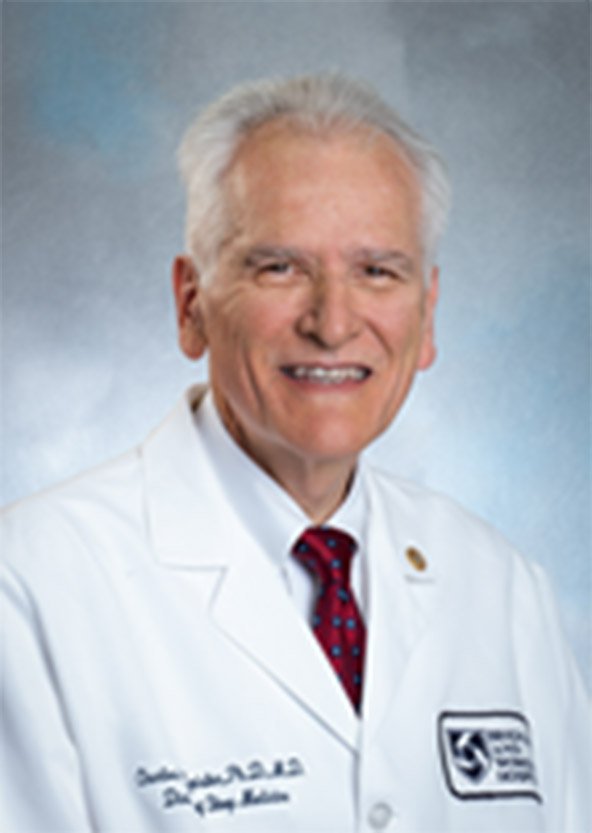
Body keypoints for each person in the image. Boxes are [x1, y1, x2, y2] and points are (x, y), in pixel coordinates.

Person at [1, 73, 589, 833]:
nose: (334, 321)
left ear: (428, 316)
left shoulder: (504, 591)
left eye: (377, 271)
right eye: (280, 267)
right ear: (191, 306)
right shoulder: (31, 584)